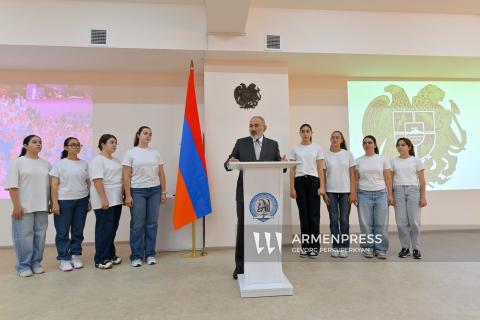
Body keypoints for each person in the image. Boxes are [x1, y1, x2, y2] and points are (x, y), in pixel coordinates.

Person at [224, 116, 283, 279]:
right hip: (245, 194)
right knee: (243, 229)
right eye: (250, 125)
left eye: (256, 125)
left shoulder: (273, 144)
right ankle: (240, 267)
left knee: (266, 228)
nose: (253, 128)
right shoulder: (241, 142)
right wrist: (231, 161)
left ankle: (265, 265)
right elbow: (227, 163)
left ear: (265, 127)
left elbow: (279, 166)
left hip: (267, 195)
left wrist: (284, 163)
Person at [4, 135, 50, 277]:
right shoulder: (18, 162)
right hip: (24, 207)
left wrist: (51, 203)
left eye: (40, 142)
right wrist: (17, 206)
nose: (38, 144)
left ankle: (36, 263)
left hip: (42, 206)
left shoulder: (46, 164)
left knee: (40, 237)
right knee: (23, 237)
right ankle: (23, 266)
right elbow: (12, 186)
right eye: (34, 142)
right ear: (25, 146)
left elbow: (51, 186)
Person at [123, 126, 167, 267]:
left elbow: (161, 174)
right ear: (138, 135)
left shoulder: (155, 153)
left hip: (154, 190)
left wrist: (163, 192)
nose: (148, 136)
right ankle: (136, 256)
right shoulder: (130, 153)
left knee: (152, 224)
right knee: (137, 225)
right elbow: (126, 176)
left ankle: (150, 254)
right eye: (145, 133)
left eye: (150, 134)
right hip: (137, 191)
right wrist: (128, 195)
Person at [50, 137, 90, 272]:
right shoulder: (59, 164)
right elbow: (54, 185)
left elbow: (88, 183)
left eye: (79, 145)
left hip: (82, 200)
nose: (76, 147)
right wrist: (54, 203)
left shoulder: (84, 164)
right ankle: (64, 258)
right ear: (65, 147)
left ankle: (76, 255)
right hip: (64, 201)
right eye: (73, 145)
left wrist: (89, 199)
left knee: (78, 231)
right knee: (62, 232)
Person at [289, 124, 325, 258]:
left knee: (314, 216)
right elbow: (292, 169)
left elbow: (320, 169)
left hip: (314, 182)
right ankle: (305, 247)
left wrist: (322, 187)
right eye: (303, 131)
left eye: (307, 131)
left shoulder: (317, 148)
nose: (305, 134)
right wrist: (292, 187)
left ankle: (314, 247)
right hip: (299, 183)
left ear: (311, 133)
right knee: (303, 216)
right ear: (300, 133)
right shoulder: (295, 149)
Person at [355, 135, 394, 259]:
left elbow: (388, 178)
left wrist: (390, 194)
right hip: (363, 194)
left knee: (381, 224)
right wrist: (355, 194)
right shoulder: (358, 160)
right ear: (363, 145)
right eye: (365, 143)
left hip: (381, 194)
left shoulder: (383, 159)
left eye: (370, 142)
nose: (367, 145)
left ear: (375, 145)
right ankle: (368, 248)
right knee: (366, 224)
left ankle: (381, 249)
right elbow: (356, 179)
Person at [89, 134, 123, 269]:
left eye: (116, 142)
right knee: (104, 229)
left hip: (116, 199)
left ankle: (110, 254)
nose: (114, 145)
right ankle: (100, 259)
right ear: (103, 144)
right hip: (104, 199)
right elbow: (97, 180)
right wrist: (104, 199)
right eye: (111, 142)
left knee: (112, 228)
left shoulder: (116, 160)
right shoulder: (98, 160)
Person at [390, 138, 427, 259]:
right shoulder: (393, 161)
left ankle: (416, 248)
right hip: (398, 191)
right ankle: (405, 247)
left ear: (409, 147)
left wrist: (423, 197)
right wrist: (390, 195)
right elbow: (390, 180)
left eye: (403, 145)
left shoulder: (416, 160)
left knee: (414, 222)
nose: (400, 147)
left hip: (413, 191)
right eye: (398, 145)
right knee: (401, 222)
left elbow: (422, 180)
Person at [323, 130, 356, 258]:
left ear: (342, 140)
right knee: (333, 220)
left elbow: (353, 174)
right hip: (330, 191)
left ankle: (344, 247)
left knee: (344, 220)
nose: (335, 139)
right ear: (330, 140)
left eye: (337, 137)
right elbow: (324, 176)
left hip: (346, 192)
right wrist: (324, 192)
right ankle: (336, 247)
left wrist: (353, 192)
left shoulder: (348, 154)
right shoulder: (325, 155)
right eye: (333, 137)